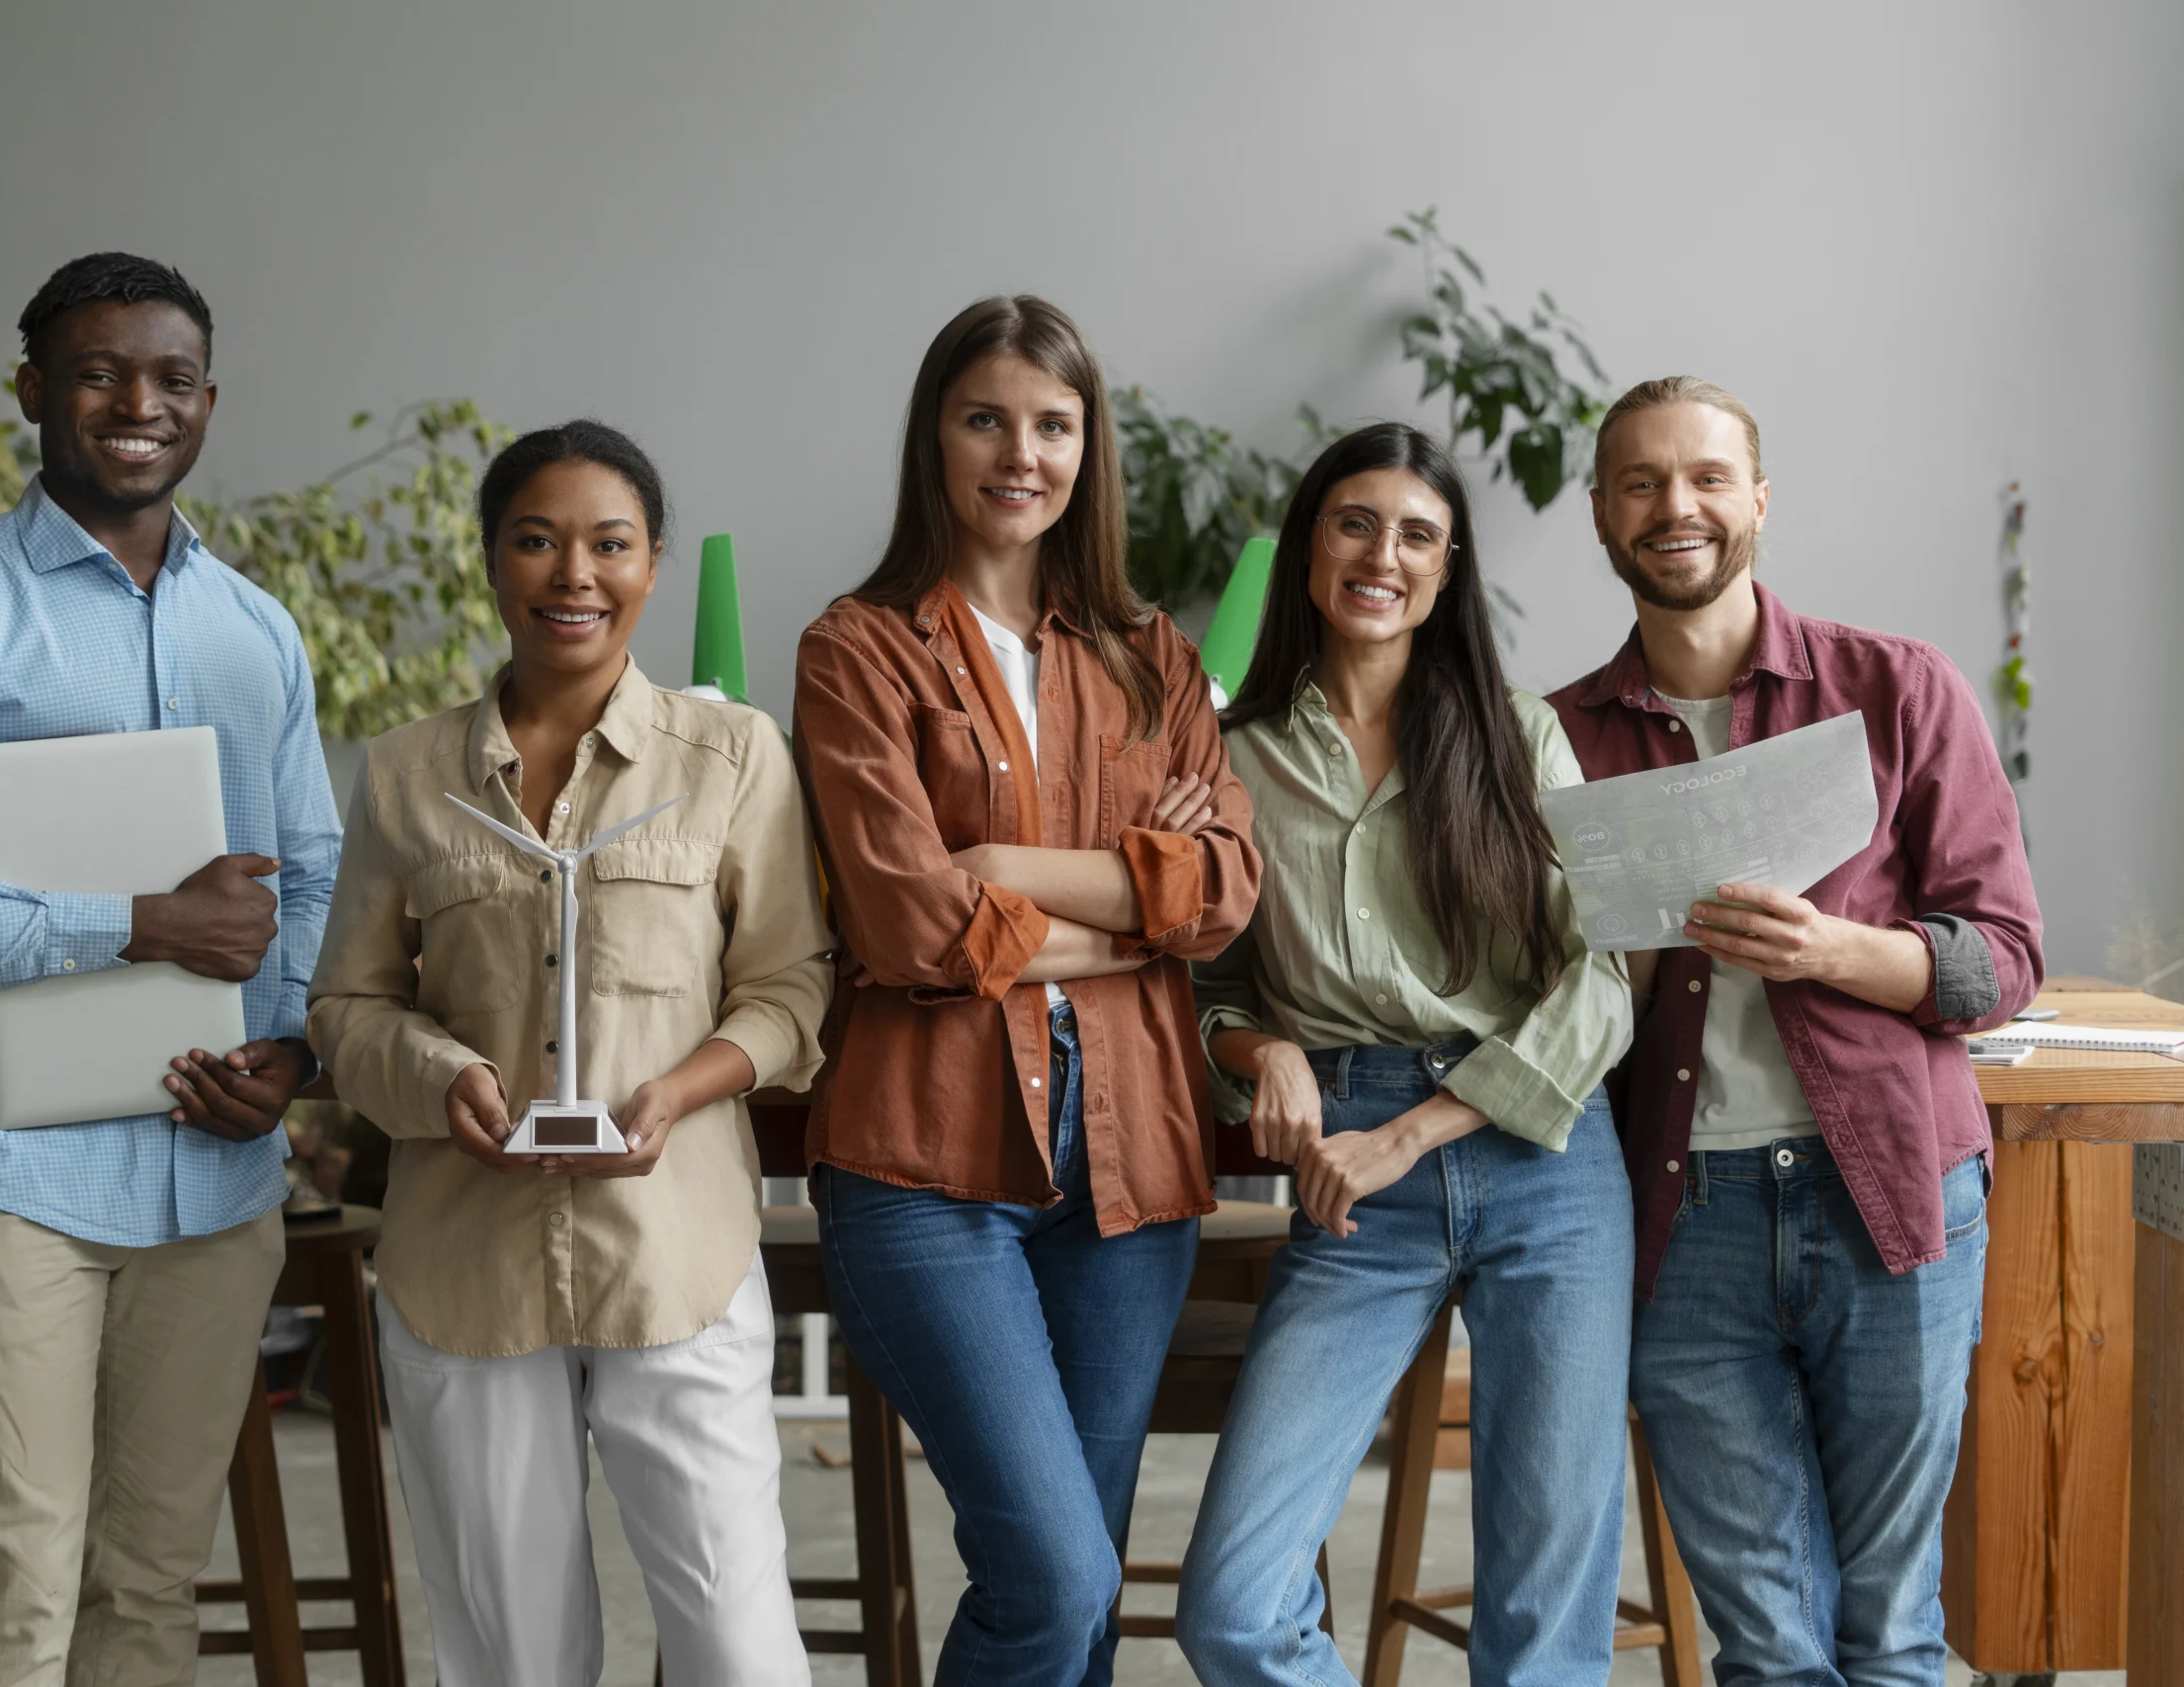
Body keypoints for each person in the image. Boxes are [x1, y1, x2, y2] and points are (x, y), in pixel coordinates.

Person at [0, 252, 340, 1685]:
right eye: (97, 372)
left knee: (151, 1588)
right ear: (34, 390)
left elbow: (314, 869)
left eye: (167, 377)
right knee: (14, 1589)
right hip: (12, 1176)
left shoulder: (256, 627)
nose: (134, 403)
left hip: (212, 1176)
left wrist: (288, 1053)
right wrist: (136, 921)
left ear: (208, 401)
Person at [306, 420, 831, 1687]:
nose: (573, 574)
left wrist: (680, 1090)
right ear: (492, 563)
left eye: (610, 543)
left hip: (678, 1256)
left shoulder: (737, 757)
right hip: (463, 1268)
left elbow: (791, 992)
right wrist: (443, 1079)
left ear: (652, 564)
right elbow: (346, 1009)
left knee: (736, 1643)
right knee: (506, 1653)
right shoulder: (403, 777)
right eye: (537, 542)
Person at [792, 295, 1261, 1684]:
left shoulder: (1148, 654)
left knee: (1087, 1585)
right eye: (985, 416)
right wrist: (1128, 916)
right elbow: (909, 921)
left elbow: (1225, 884)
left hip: (1128, 1167)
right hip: (925, 1166)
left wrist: (1004, 863)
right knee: (1055, 1576)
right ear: (934, 435)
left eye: (1053, 424)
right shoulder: (858, 648)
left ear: (1087, 447)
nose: (1021, 451)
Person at [1547, 376, 2044, 1686]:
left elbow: (2007, 955)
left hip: (1890, 1193)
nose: (1677, 506)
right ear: (1600, 510)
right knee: (1765, 1645)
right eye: (1643, 480)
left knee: (1891, 1632)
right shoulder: (1557, 737)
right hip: (1680, 1217)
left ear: (1758, 499)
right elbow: (1533, 993)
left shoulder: (1897, 689)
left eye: (1708, 476)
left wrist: (1839, 951)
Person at [1173, 423, 1638, 1685]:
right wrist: (1260, 1048)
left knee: (1544, 1632)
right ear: (1308, 546)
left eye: (1417, 535)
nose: (1383, 555)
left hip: (1540, 1155)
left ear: (1446, 571)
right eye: (1354, 522)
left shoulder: (1517, 737)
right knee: (1229, 1610)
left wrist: (1416, 1130)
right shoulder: (1230, 758)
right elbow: (1203, 983)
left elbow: (1598, 975)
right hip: (1345, 1182)